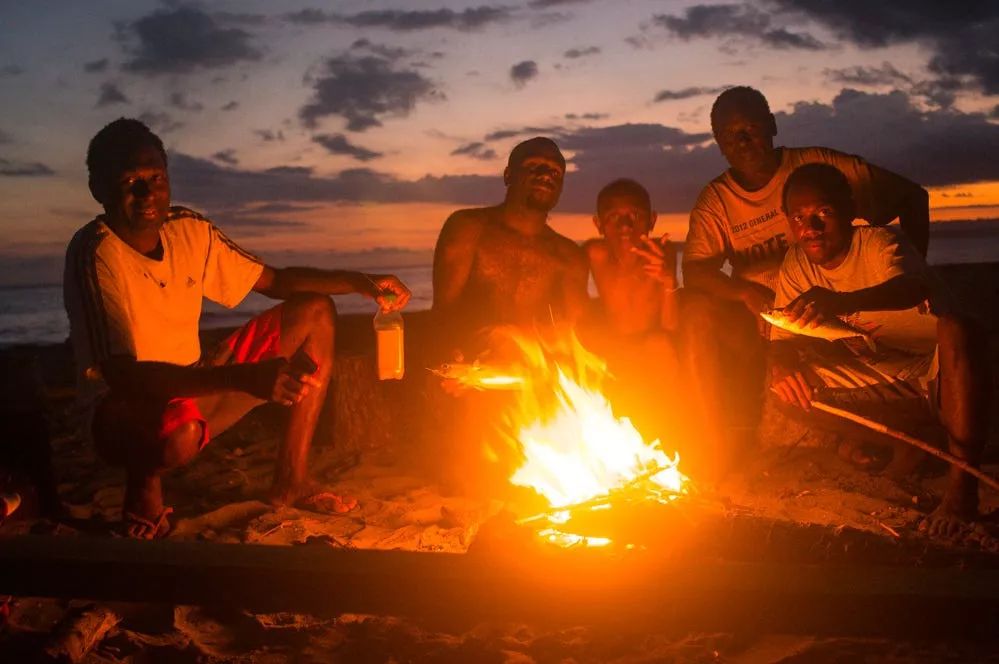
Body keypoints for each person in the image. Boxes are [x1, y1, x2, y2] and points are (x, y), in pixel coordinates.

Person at [64, 118, 411, 538]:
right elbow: (122, 375)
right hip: (121, 411)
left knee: (316, 312)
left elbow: (277, 282)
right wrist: (242, 376)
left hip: (196, 382)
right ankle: (144, 486)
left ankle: (291, 480)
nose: (146, 193)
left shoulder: (188, 231)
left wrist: (359, 282)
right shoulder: (95, 253)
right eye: (129, 181)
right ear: (99, 190)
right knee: (178, 433)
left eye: (155, 177)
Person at [679, 86, 930, 475]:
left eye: (750, 128)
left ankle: (874, 437)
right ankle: (711, 437)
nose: (743, 142)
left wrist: (911, 274)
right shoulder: (716, 201)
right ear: (720, 144)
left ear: (772, 125)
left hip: (837, 310)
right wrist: (743, 290)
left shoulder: (817, 167)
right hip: (771, 316)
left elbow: (911, 197)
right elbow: (695, 270)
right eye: (731, 136)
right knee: (691, 309)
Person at [770, 163, 990, 538]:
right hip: (886, 376)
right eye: (799, 217)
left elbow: (909, 289)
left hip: (941, 372)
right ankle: (911, 444)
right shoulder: (795, 262)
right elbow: (781, 344)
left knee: (957, 327)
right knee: (784, 390)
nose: (812, 228)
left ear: (848, 209)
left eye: (824, 213)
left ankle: (961, 487)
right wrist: (781, 366)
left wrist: (840, 301)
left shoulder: (879, 243)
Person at [432, 137, 589, 355]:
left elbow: (578, 336)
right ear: (508, 175)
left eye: (555, 172)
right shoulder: (469, 229)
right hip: (469, 366)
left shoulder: (569, 256)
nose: (545, 174)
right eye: (534, 166)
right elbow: (443, 313)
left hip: (533, 373)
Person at [582, 179, 684, 451]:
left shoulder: (662, 254)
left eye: (634, 216)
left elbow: (670, 327)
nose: (625, 226)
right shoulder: (595, 254)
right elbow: (574, 306)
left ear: (652, 220)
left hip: (653, 348)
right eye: (614, 217)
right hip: (611, 349)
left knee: (659, 346)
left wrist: (667, 281)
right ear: (598, 224)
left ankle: (669, 440)